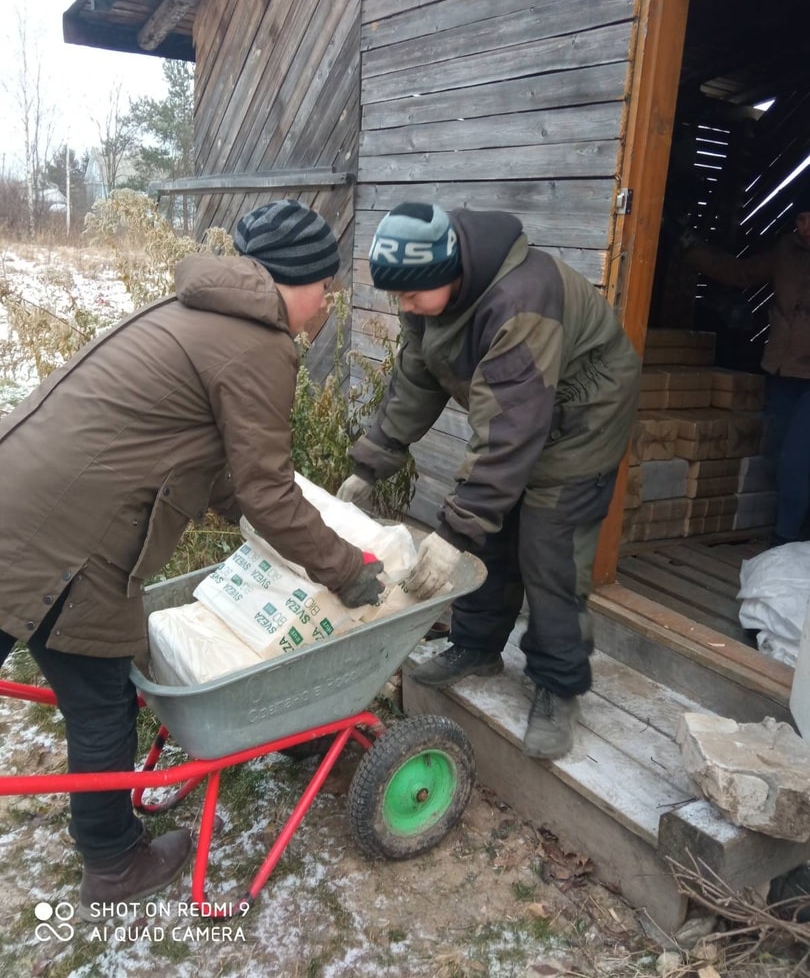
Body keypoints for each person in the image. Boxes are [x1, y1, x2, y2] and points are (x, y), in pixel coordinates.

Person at [0, 199, 385, 919]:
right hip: (67, 537)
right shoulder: (258, 344)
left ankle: (108, 840)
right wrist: (347, 569)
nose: (327, 302)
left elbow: (219, 470)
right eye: (325, 286)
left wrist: (277, 523)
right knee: (102, 698)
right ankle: (114, 862)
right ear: (294, 280)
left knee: (96, 690)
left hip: (18, 499)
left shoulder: (197, 313)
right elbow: (266, 490)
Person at [337, 203, 641, 759]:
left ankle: (558, 684)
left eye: (410, 296)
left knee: (549, 548)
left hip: (582, 414)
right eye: (397, 297)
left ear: (451, 273)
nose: (404, 307)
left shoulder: (519, 301)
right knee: (493, 535)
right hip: (523, 408)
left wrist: (452, 533)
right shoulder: (426, 294)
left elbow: (508, 432)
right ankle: (475, 645)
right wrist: (372, 462)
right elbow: (417, 376)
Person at [682, 182, 810, 544]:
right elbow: (740, 274)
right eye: (802, 218)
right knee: (775, 458)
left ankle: (784, 542)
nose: (806, 227)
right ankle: (796, 536)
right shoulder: (786, 250)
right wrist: (691, 250)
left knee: (796, 463)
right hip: (783, 372)